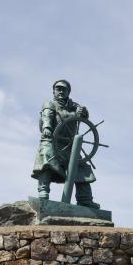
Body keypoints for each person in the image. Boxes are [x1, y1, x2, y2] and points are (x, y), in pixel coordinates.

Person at [31, 79, 100, 208]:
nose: (61, 91)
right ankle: (43, 193)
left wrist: (83, 112)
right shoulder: (49, 104)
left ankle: (85, 200)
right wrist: (46, 128)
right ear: (53, 91)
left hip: (70, 146)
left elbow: (84, 116)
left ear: (69, 92)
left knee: (82, 168)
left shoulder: (73, 105)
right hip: (52, 142)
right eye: (58, 88)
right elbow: (47, 116)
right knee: (46, 159)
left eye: (64, 89)